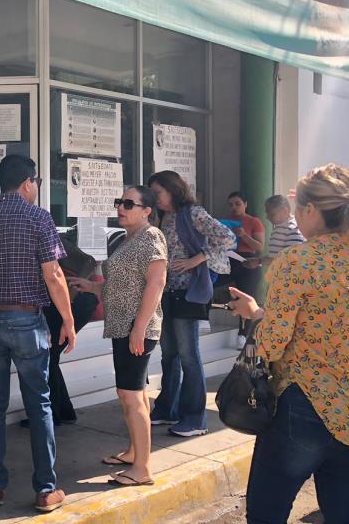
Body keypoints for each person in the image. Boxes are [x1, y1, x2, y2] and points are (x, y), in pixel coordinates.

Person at [226, 164, 349, 524]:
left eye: (300, 207)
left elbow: (271, 344)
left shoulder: (298, 261)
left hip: (306, 409)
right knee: (346, 514)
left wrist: (256, 314)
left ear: (312, 211)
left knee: (266, 515)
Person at [0, 154, 75, 513]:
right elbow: (53, 275)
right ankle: (45, 489)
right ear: (27, 183)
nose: (36, 187)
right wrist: (67, 320)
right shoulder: (38, 218)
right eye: (35, 181)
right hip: (25, 321)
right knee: (39, 402)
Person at [75, 186, 167, 487]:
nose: (121, 207)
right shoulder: (127, 239)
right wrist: (90, 287)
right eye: (120, 202)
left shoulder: (151, 237)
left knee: (131, 396)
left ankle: (142, 468)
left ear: (147, 210)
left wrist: (139, 328)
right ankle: (133, 452)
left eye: (129, 203)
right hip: (122, 326)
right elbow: (122, 287)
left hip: (135, 328)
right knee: (132, 393)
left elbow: (155, 285)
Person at [147, 170, 234, 437]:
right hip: (168, 292)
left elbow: (227, 237)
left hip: (189, 292)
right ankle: (167, 408)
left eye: (158, 193)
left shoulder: (193, 213)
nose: (156, 198)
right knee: (169, 353)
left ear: (173, 190)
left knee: (188, 354)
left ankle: (195, 418)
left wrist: (197, 259)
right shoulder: (163, 216)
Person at [24, 237, 97, 428]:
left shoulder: (45, 238)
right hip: (64, 304)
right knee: (50, 358)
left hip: (71, 303)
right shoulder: (37, 237)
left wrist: (68, 308)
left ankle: (55, 413)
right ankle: (62, 412)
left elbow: (86, 263)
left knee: (48, 358)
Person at [221, 191, 264, 349]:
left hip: (247, 261)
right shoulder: (225, 222)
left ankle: (243, 334)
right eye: (231, 204)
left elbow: (259, 246)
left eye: (238, 204)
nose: (234, 207)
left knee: (246, 296)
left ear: (245, 204)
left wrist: (244, 236)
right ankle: (203, 318)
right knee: (210, 283)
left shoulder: (254, 222)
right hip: (228, 259)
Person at [244, 194, 305, 269]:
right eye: (267, 213)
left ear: (285, 211)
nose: (267, 217)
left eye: (272, 214)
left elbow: (289, 259)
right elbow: (275, 255)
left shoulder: (293, 229)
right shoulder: (281, 228)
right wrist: (257, 260)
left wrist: (259, 261)